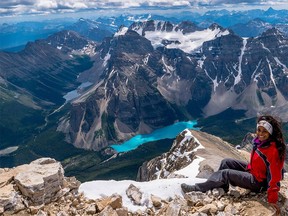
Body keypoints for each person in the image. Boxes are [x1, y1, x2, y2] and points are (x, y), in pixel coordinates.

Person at [181, 115, 286, 215]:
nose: (260, 133)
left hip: (258, 183)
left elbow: (274, 176)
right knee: (226, 161)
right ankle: (222, 188)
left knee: (225, 174)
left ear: (270, 133)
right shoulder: (260, 142)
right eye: (259, 130)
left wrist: (272, 199)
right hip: (253, 171)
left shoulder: (273, 151)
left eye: (265, 131)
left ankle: (198, 188)